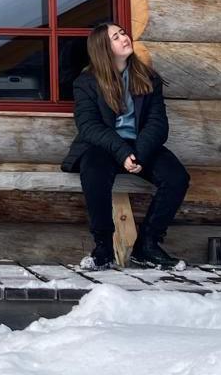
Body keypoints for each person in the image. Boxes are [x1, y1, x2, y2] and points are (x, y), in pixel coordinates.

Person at [61, 22, 190, 270]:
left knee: (176, 177)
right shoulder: (86, 82)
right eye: (115, 37)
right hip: (105, 146)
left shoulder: (148, 78)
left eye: (123, 33)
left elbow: (157, 123)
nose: (124, 38)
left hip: (141, 147)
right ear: (103, 49)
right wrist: (122, 152)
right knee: (94, 171)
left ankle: (147, 246)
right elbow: (89, 126)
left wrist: (138, 153)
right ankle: (104, 247)